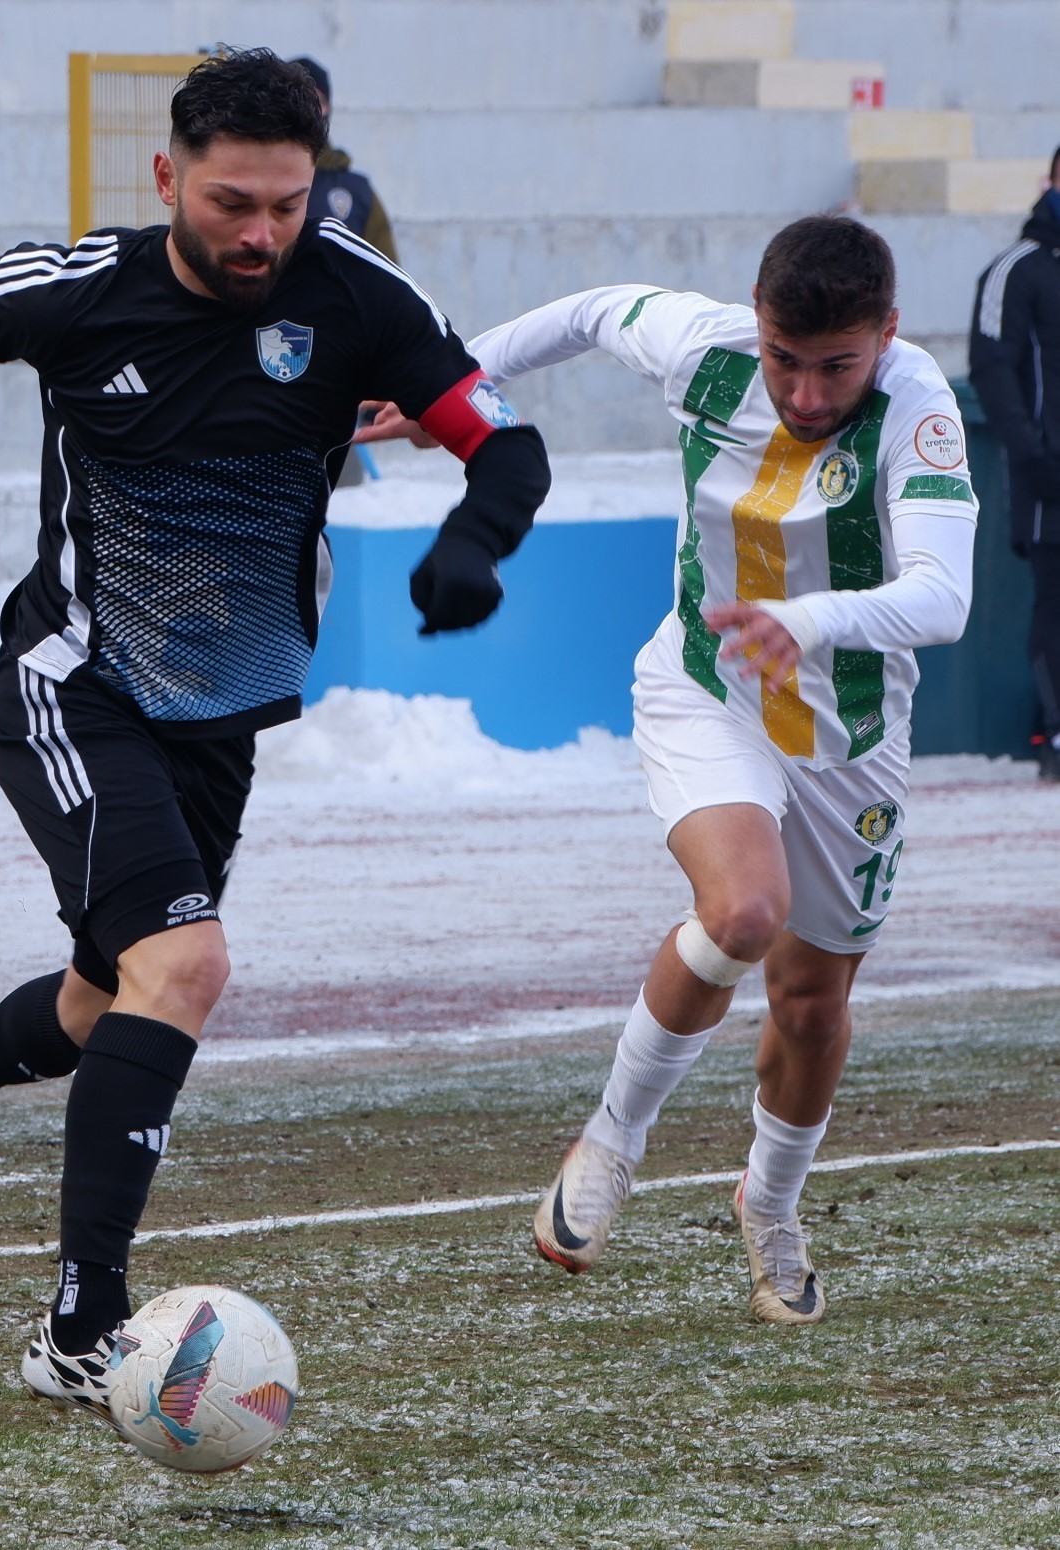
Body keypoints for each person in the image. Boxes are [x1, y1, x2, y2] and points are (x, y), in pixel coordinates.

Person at [0, 48, 548, 1426]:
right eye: (235, 201)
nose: (262, 234)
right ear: (167, 176)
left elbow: (505, 443)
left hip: (220, 713)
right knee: (183, 961)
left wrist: (475, 543)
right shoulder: (77, 291)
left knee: (107, 989)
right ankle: (80, 1326)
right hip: (74, 680)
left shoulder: (357, 296)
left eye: (288, 205)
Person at [360, 214, 976, 1324]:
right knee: (743, 911)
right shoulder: (707, 344)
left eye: (834, 365)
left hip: (846, 728)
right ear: (756, 315)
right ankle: (609, 1140)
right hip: (709, 679)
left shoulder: (917, 405)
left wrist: (808, 615)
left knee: (811, 1002)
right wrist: (456, 381)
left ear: (886, 333)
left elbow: (944, 594)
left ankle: (769, 1204)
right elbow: (593, 311)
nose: (802, 390)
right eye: (785, 357)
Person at [969, 148, 1060, 783]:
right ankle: (1054, 738)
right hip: (1048, 478)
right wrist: (1033, 455)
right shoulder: (1016, 270)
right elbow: (992, 369)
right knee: (1055, 607)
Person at [291, 57, 398, 262]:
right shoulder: (256, 182)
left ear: (328, 107)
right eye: (299, 98)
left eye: (316, 100)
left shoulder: (357, 192)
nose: (308, 108)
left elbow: (386, 275)